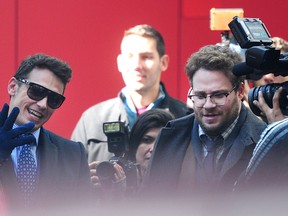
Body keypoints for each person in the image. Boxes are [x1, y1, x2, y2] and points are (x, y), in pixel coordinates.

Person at [144, 45, 267, 196]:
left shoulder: (265, 142)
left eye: (219, 95)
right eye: (200, 96)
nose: (209, 105)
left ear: (240, 91)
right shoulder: (169, 138)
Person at [71, 24, 188, 163]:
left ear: (163, 62)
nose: (137, 65)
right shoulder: (92, 120)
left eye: (146, 57)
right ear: (120, 63)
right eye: (130, 56)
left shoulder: (185, 119)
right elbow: (69, 177)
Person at [0, 54, 92, 214]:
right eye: (36, 91)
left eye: (54, 99)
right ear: (13, 87)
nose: (43, 104)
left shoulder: (73, 154)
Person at [89, 109, 175, 200]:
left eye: (161, 141)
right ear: (134, 146)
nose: (153, 149)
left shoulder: (181, 184)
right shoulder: (113, 178)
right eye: (146, 140)